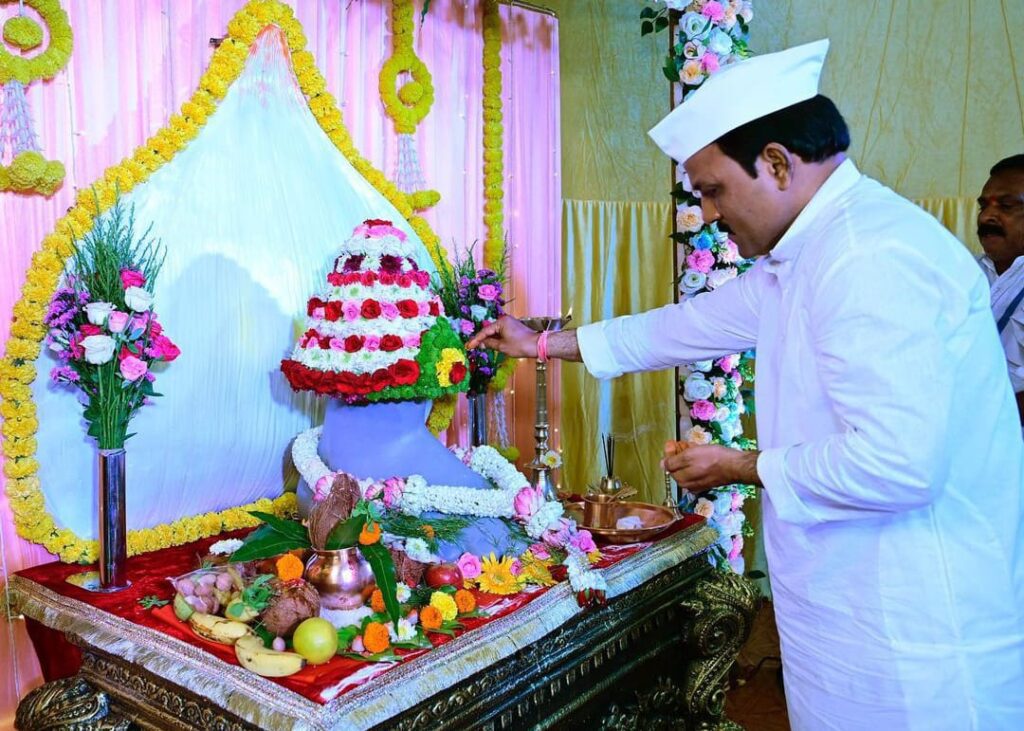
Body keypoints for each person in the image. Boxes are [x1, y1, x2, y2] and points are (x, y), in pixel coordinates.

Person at [469, 40, 1024, 731]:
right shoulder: (811, 250)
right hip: (853, 611)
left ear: (777, 163)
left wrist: (740, 465)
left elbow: (900, 464)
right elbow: (687, 325)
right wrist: (541, 343)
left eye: (713, 190)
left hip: (916, 632)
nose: (707, 214)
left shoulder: (868, 255)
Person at [976, 154, 1024, 424]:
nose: (986, 216)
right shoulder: (960, 271)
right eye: (983, 206)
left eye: (1006, 206)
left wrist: (973, 414)